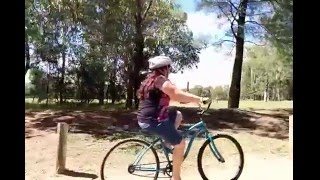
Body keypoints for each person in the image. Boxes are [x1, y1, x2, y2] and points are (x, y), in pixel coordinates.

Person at [136, 55, 208, 180]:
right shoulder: (161, 80)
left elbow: (175, 96)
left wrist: (188, 100)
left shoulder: (150, 80)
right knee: (180, 144)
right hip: (153, 121)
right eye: (169, 68)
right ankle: (176, 178)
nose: (169, 70)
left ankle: (168, 142)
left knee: (178, 114)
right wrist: (199, 99)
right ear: (165, 68)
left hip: (147, 118)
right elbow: (176, 94)